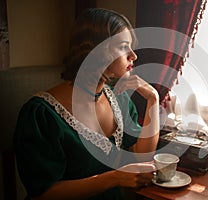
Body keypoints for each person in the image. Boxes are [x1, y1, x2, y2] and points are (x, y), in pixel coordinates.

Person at [13, 8, 160, 200]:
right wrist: (114, 178)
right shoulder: (41, 114)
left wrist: (153, 100)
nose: (133, 55)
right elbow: (43, 193)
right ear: (97, 51)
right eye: (124, 47)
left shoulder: (119, 98)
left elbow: (141, 157)